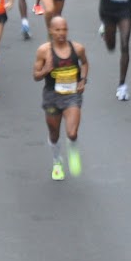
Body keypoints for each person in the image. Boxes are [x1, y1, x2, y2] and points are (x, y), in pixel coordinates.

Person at [33, 15, 87, 181]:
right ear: (50, 31)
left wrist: (83, 80)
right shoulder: (44, 51)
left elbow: (84, 63)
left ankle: (73, 150)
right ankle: (57, 161)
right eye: (57, 30)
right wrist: (46, 70)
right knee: (54, 133)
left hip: (72, 95)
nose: (61, 33)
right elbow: (36, 76)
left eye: (64, 29)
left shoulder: (77, 48)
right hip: (52, 96)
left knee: (72, 132)